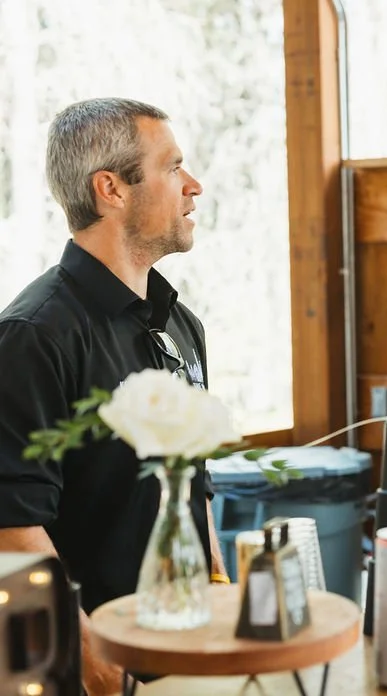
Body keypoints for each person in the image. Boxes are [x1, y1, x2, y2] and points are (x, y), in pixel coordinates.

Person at [0, 98, 227, 695]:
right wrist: (95, 668)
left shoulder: (182, 327)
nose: (193, 185)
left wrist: (220, 588)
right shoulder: (32, 336)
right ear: (112, 189)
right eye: (173, 167)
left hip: (179, 652)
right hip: (81, 672)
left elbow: (191, 481)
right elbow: (10, 529)